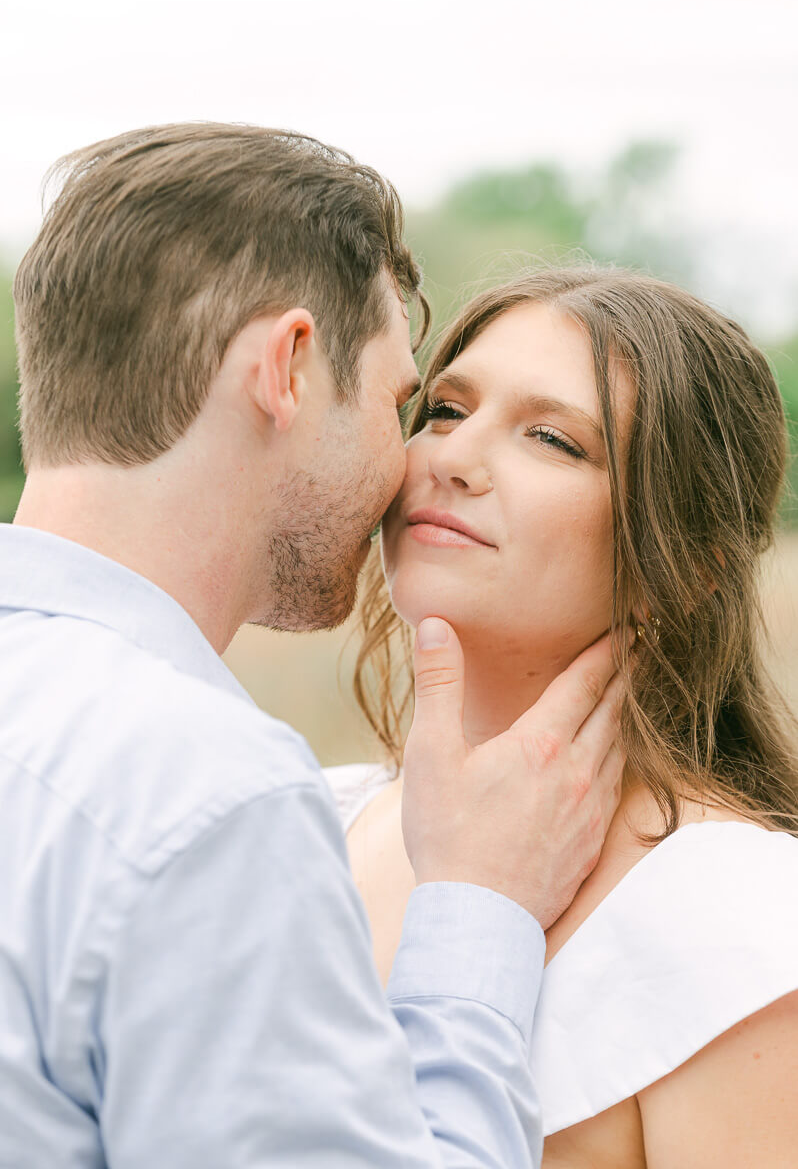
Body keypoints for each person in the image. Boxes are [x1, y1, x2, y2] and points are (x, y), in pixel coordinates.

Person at [0, 125, 625, 1168]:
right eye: (402, 402)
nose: (422, 464)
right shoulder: (203, 793)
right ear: (288, 367)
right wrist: (481, 910)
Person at [325, 266, 798, 1167]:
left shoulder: (746, 922)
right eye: (445, 408)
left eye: (550, 438)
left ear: (688, 562)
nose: (451, 459)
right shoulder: (310, 824)